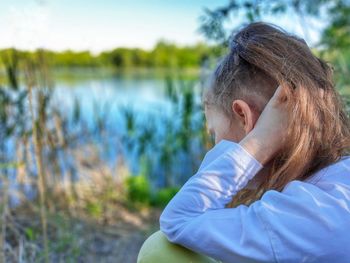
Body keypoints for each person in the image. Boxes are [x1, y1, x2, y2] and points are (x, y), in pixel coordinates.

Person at [138, 22, 350, 263]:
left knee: (159, 248)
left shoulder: (304, 218)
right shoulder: (336, 182)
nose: (214, 144)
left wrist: (260, 142)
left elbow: (179, 220)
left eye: (214, 132)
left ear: (244, 117)